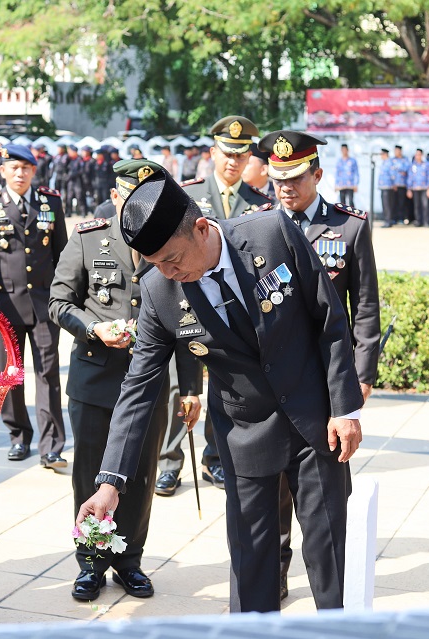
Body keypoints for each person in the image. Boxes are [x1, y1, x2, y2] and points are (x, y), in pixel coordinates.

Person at [77, 169, 363, 614]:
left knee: (329, 556)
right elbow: (139, 387)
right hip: (244, 432)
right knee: (251, 564)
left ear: (202, 228)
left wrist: (345, 408)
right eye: (156, 264)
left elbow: (328, 317)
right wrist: (110, 482)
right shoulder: (160, 290)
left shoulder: (271, 232)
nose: (169, 272)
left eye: (172, 258)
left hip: (314, 422)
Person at [49, 159, 203, 601]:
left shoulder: (169, 239)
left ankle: (129, 560)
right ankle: (91, 562)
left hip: (150, 383)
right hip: (97, 380)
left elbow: (186, 319)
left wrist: (191, 388)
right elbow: (59, 303)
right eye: (129, 200)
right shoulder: (87, 236)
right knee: (93, 476)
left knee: (139, 472)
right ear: (115, 197)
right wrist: (92, 328)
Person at [258, 129, 380, 601]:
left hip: (327, 382)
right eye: (277, 179)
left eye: (295, 178)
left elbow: (365, 308)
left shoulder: (349, 227)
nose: (286, 187)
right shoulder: (258, 226)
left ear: (318, 174)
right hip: (272, 383)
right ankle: (276, 574)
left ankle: (332, 593)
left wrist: (362, 375)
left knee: (325, 497)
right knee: (272, 492)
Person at [177, 116, 273, 490]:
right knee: (181, 386)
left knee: (230, 384)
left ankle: (216, 458)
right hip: (188, 300)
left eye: (242, 154)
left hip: (234, 311)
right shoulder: (188, 194)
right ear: (213, 152)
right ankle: (171, 459)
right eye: (227, 153)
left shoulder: (260, 204)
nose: (233, 161)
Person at [0, 143, 68, 467]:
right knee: (10, 373)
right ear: (3, 171)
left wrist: (63, 295)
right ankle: (18, 435)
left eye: (26, 168)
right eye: (14, 167)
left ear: (33, 171)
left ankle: (51, 443)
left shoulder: (50, 203)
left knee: (48, 372)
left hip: (43, 304)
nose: (20, 173)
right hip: (4, 306)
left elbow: (62, 253)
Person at [406, 148, 429, 227]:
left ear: (422, 155)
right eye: (416, 155)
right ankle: (418, 221)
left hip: (424, 188)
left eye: (419, 154)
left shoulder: (426, 164)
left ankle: (426, 222)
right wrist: (409, 189)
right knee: (416, 206)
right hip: (415, 188)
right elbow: (410, 177)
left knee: (425, 205)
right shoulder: (412, 165)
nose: (417, 156)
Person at [334, 143, 359, 207]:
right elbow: (337, 173)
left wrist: (356, 184)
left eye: (345, 150)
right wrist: (336, 185)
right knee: (342, 203)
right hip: (341, 185)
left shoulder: (353, 161)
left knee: (351, 201)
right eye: (342, 150)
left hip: (350, 185)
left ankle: (353, 216)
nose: (344, 151)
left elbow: (356, 173)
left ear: (348, 150)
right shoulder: (339, 161)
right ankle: (343, 216)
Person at [377, 148, 397, 227]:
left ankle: (388, 221)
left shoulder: (389, 162)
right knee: (384, 204)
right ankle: (387, 220)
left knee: (387, 205)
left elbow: (393, 175)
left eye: (381, 154)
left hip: (388, 187)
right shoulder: (384, 162)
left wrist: (394, 184)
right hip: (383, 187)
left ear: (385, 154)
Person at [390, 145, 410, 224]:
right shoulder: (392, 160)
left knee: (402, 202)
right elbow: (391, 171)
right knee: (394, 202)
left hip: (403, 185)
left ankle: (402, 218)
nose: (396, 152)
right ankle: (394, 218)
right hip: (394, 185)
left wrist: (399, 170)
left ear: (400, 151)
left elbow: (406, 169)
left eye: (397, 151)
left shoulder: (405, 160)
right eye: (395, 151)